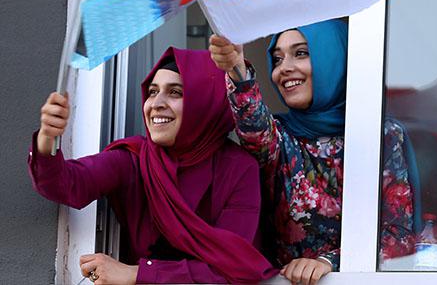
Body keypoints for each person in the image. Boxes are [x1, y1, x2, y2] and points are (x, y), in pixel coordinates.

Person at [28, 48, 277, 284]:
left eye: (176, 92)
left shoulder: (238, 169)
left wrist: (138, 274)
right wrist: (48, 138)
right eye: (153, 91)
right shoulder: (136, 159)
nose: (156, 103)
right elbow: (65, 184)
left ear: (204, 101)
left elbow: (237, 270)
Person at [209, 20, 421, 285]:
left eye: (301, 53)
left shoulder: (381, 135)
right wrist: (237, 69)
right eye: (277, 59)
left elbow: (399, 236)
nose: (284, 69)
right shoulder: (280, 136)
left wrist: (328, 263)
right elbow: (253, 124)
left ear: (333, 56)